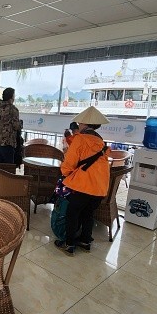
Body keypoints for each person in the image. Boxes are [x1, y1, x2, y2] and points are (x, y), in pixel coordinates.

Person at [55, 106, 110, 256]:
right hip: (100, 187)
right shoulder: (100, 142)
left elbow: (69, 163)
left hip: (83, 185)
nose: (79, 125)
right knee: (88, 213)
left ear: (85, 124)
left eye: (80, 123)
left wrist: (65, 174)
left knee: (72, 213)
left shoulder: (80, 139)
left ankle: (69, 244)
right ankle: (85, 241)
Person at [0, 87, 20, 164]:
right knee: (8, 167)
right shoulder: (12, 109)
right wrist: (20, 124)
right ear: (11, 97)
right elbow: (16, 126)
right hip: (7, 142)